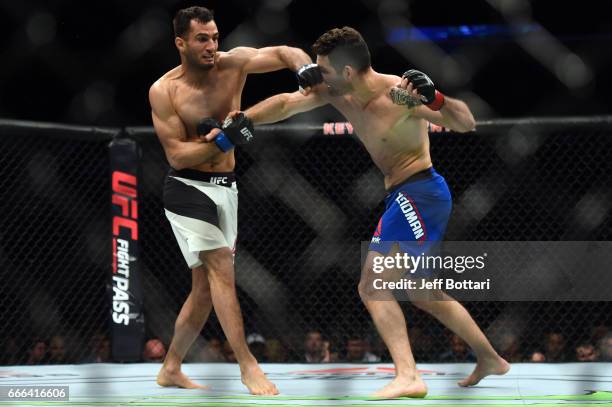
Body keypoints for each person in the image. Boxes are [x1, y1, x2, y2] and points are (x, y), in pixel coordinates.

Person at [217, 26, 509, 398]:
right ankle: (489, 357)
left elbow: (466, 122)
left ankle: (408, 375)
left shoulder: (398, 95)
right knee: (420, 291)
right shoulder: (338, 92)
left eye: (324, 69)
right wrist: (247, 119)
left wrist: (435, 99)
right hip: (403, 196)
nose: (317, 76)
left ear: (349, 71)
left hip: (420, 192)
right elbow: (288, 103)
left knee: (374, 285)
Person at [149, 6, 314, 395]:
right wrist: (225, 138)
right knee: (222, 269)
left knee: (204, 290)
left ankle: (170, 367)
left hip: (227, 187)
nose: (212, 46)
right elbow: (177, 155)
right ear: (181, 43)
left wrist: (304, 68)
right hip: (186, 189)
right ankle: (247, 365)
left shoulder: (233, 64)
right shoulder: (165, 90)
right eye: (202, 39)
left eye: (215, 37)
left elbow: (284, 51)